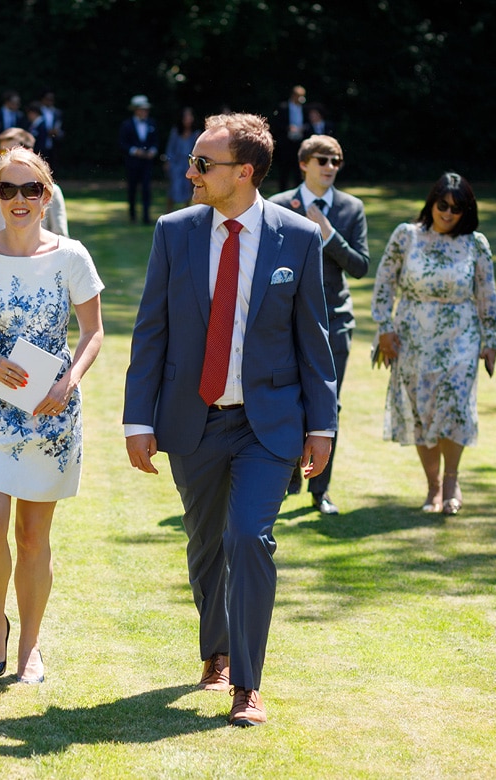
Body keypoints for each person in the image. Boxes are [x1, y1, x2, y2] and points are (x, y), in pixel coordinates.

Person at [123, 113, 338, 727]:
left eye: (201, 164)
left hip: (268, 425)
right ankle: (214, 651)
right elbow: (151, 332)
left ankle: (247, 683)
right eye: (191, 161)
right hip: (193, 422)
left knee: (249, 538)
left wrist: (321, 427)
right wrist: (139, 419)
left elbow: (313, 340)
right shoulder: (174, 231)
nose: (188, 172)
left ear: (243, 173)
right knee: (206, 544)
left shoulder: (297, 237)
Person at [0, 147, 104, 684]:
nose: (19, 200)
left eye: (30, 190)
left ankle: (30, 646)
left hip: (51, 414)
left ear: (46, 196)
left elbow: (93, 333)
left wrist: (68, 380)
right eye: (7, 190)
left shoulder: (72, 256)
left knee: (34, 537)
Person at [371, 172, 496, 516]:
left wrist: (492, 339)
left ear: (466, 212)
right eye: (442, 205)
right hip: (412, 337)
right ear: (431, 203)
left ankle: (452, 481)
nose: (447, 213)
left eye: (456, 209)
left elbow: (487, 294)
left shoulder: (476, 244)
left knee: (456, 407)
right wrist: (384, 329)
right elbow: (385, 284)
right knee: (421, 412)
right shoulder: (406, 236)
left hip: (460, 338)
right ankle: (432, 486)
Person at [268, 134, 370, 515]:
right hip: (285, 321)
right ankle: (287, 478)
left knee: (328, 407)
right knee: (288, 402)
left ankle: (319, 490)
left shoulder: (350, 208)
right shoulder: (279, 206)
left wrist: (329, 235)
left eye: (336, 161)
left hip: (335, 323)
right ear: (304, 164)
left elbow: (360, 267)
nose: (330, 167)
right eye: (323, 160)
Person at [0, 128, 69, 237]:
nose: (7, 157)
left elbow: (60, 234)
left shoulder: (50, 190)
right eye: (2, 152)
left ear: (30, 152)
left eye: (13, 151)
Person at [119, 94, 158, 224]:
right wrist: (135, 151)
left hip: (146, 162)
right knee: (132, 189)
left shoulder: (151, 123)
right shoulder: (127, 125)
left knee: (146, 189)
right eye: (142, 109)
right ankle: (132, 216)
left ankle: (146, 217)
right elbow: (122, 143)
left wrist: (152, 151)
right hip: (133, 163)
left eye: (146, 109)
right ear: (136, 110)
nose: (145, 112)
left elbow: (155, 142)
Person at [270, 85, 306, 192]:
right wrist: (288, 127)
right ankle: (282, 192)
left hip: (299, 143)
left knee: (298, 170)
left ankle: (298, 192)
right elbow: (276, 124)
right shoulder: (283, 107)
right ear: (294, 96)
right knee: (284, 170)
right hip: (286, 143)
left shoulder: (304, 108)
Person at [163, 107, 200, 211]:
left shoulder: (196, 134)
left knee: (188, 189)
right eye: (186, 116)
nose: (188, 119)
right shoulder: (175, 132)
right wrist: (168, 161)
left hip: (189, 164)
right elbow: (170, 148)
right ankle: (168, 213)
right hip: (176, 164)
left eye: (190, 116)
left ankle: (186, 212)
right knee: (173, 188)